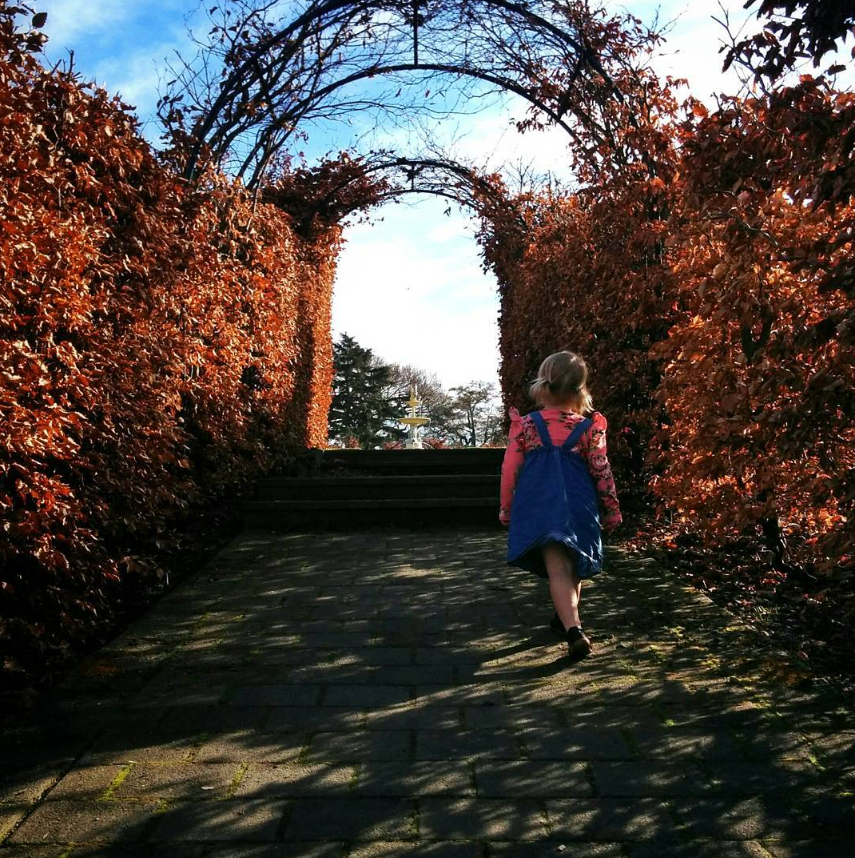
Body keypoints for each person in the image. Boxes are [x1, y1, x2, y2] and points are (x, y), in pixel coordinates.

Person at [499, 351, 622, 661]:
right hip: (579, 504)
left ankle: (573, 629)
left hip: (540, 504)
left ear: (544, 385)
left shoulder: (526, 426)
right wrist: (611, 507)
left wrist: (506, 506)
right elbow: (601, 470)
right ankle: (565, 618)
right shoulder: (587, 429)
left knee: (557, 567)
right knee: (574, 563)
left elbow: (510, 468)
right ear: (580, 391)